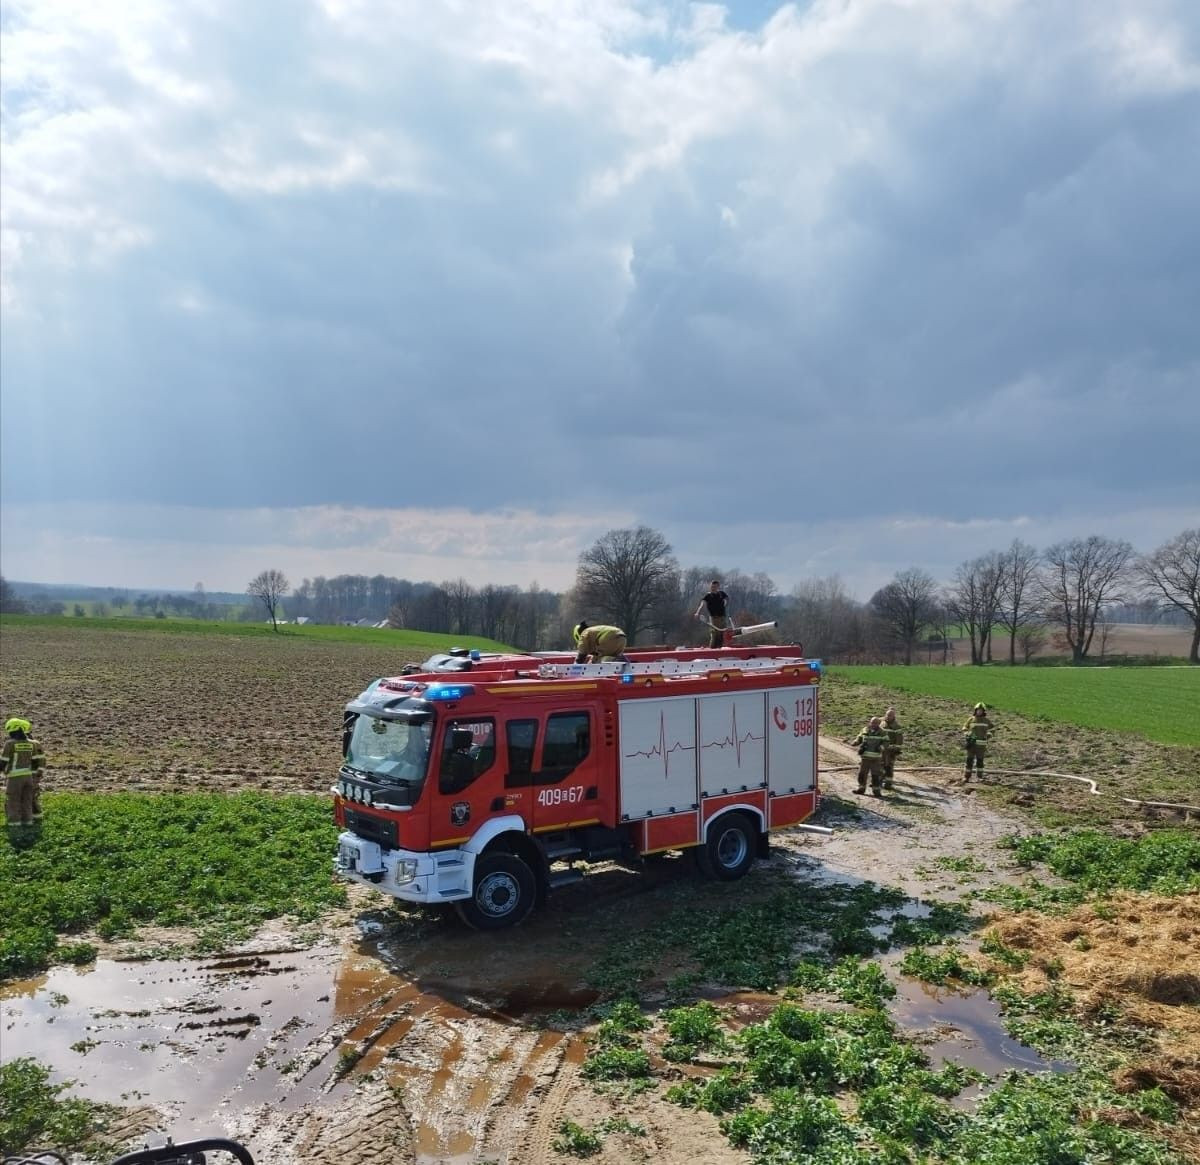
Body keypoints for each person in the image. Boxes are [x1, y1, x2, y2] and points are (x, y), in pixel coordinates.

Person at [2, 717, 45, 829]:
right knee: (27, 800)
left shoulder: (10, 744)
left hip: (15, 777)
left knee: (13, 801)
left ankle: (14, 827)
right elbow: (37, 761)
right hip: (28, 777)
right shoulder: (31, 744)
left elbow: (3, 762)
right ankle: (29, 825)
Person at [851, 716, 889, 797]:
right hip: (865, 758)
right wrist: (855, 742)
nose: (873, 724)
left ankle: (876, 791)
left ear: (879, 724)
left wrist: (881, 747)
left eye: (875, 723)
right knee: (862, 774)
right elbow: (859, 738)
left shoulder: (883, 732)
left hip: (876, 759)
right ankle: (861, 789)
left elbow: (886, 742)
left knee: (876, 775)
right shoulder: (865, 730)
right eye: (872, 722)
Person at [962, 702, 995, 781]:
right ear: (975, 710)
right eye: (978, 710)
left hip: (981, 746)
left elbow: (992, 729)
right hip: (972, 744)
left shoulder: (986, 721)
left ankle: (979, 777)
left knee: (980, 761)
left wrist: (988, 735)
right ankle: (966, 776)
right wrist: (968, 734)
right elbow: (964, 728)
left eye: (981, 710)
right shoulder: (971, 719)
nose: (979, 712)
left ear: (983, 711)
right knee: (969, 761)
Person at [694, 580, 731, 649]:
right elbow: (702, 604)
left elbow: (727, 599)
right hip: (713, 617)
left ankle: (720, 648)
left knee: (722, 633)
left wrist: (725, 604)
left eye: (714, 586)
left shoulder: (721, 593)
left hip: (722, 617)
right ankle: (712, 649)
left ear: (718, 587)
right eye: (712, 586)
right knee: (714, 633)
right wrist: (697, 612)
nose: (713, 588)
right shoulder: (708, 595)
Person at [880, 707, 904, 790]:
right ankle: (879, 781)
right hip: (881, 748)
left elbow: (899, 739)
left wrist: (896, 749)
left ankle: (888, 783)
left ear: (894, 716)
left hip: (891, 750)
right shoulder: (881, 723)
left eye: (890, 715)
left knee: (889, 767)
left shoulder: (897, 727)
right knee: (880, 765)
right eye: (887, 715)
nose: (888, 717)